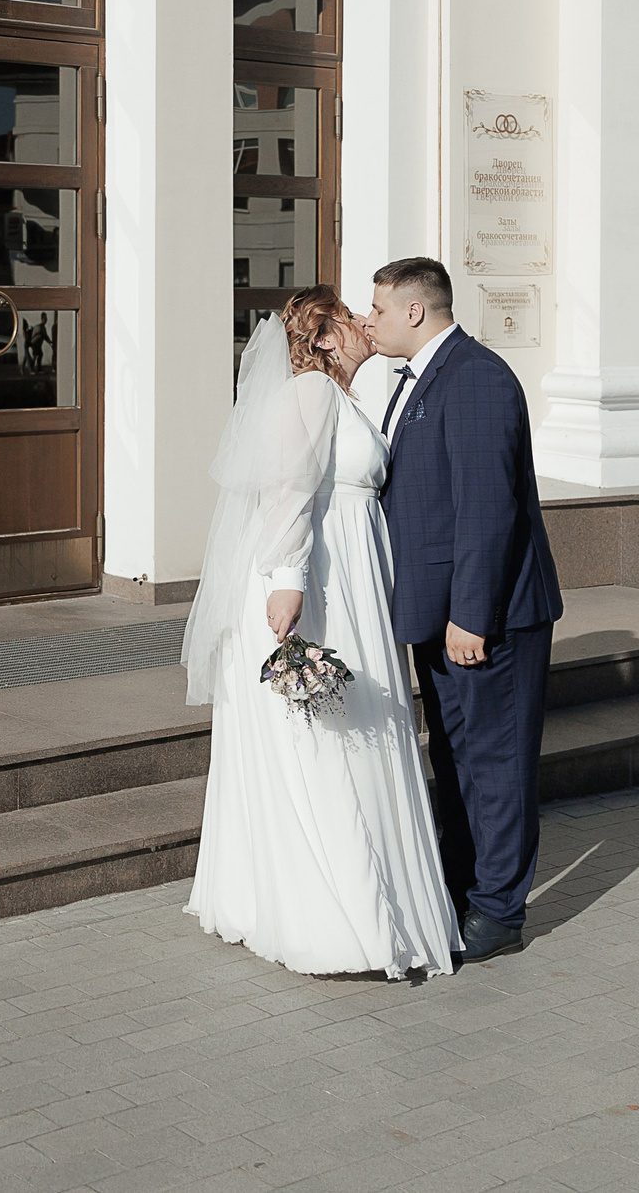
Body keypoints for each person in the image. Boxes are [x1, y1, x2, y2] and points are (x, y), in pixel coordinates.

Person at [181, 288, 459, 980]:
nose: (366, 321)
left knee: (346, 735)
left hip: (351, 579)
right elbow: (289, 488)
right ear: (327, 337)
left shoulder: (339, 395)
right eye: (350, 314)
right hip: (319, 583)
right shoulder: (310, 391)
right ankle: (341, 916)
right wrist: (287, 577)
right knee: (327, 742)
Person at [365, 256, 563, 964]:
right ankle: (463, 888)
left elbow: (487, 512)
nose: (371, 320)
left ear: (416, 310)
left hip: (488, 619)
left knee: (496, 764)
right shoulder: (425, 377)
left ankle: (499, 912)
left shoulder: (476, 378)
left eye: (380, 309)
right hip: (443, 613)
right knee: (458, 761)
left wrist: (472, 617)